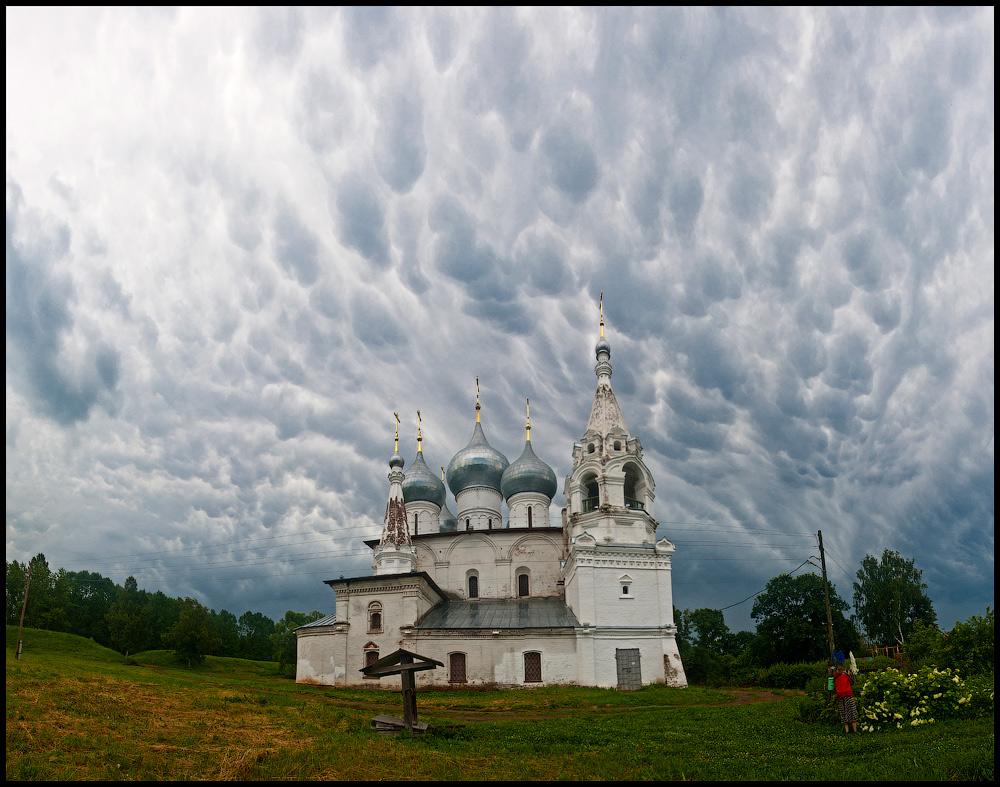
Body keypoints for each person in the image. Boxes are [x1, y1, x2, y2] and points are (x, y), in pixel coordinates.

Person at [833, 665, 858, 733]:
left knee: (843, 712)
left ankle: (847, 731)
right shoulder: (845, 676)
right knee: (852, 711)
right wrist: (848, 674)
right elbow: (852, 682)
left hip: (840, 696)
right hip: (848, 694)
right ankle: (855, 730)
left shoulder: (836, 678)